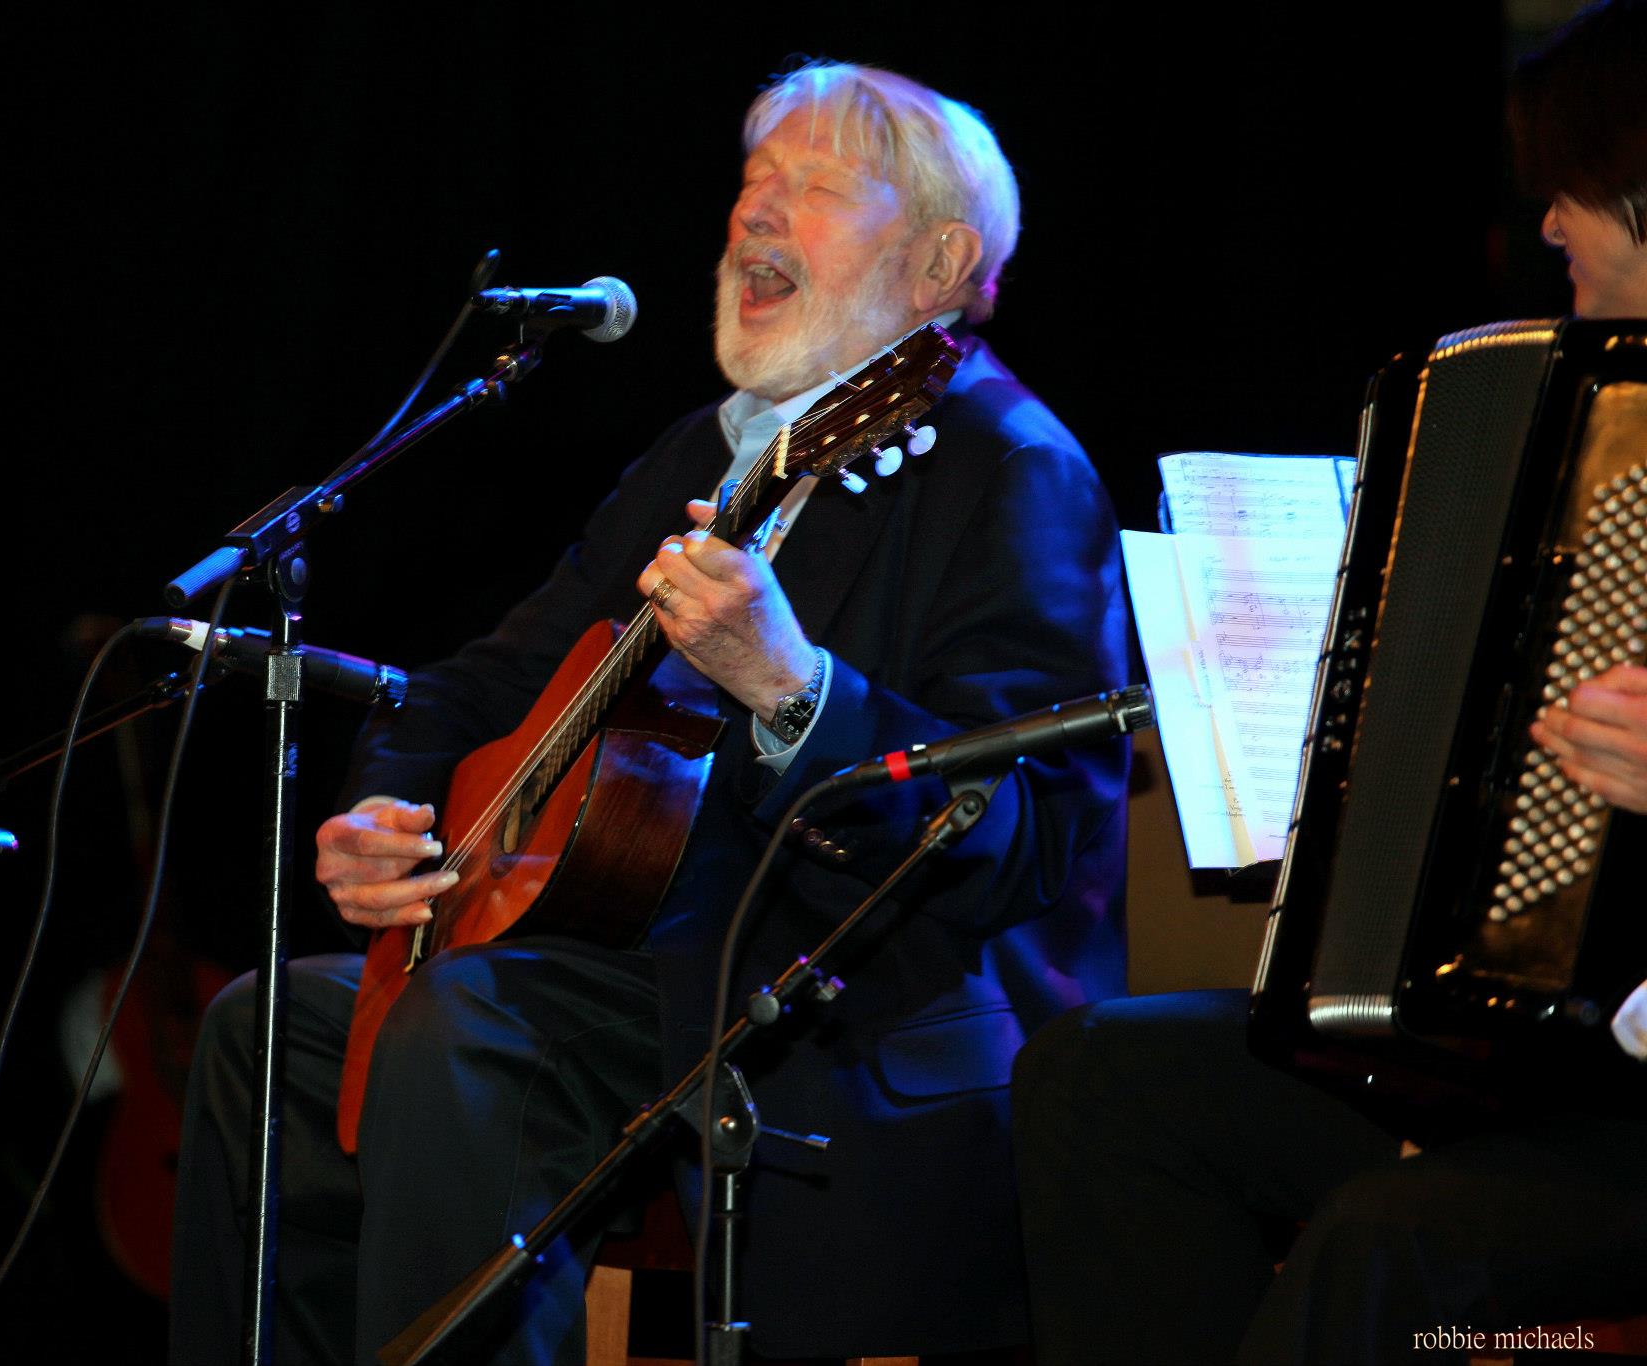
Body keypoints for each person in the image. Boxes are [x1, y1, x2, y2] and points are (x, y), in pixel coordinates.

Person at [169, 62, 1130, 1365]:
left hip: (842, 1010)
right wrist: (385, 811)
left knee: (470, 1023)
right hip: (632, 973)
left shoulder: (1011, 469)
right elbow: (489, 679)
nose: (755, 213)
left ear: (939, 262)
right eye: (753, 181)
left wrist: (792, 687)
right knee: (263, 1027)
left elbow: (1024, 832)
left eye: (815, 185)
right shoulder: (706, 453)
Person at [1011, 4, 1647, 1362]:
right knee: (1103, 1077)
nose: (1547, 224)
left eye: (1576, 188)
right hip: (1554, 1056)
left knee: (1385, 1240)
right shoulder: (1596, 430)